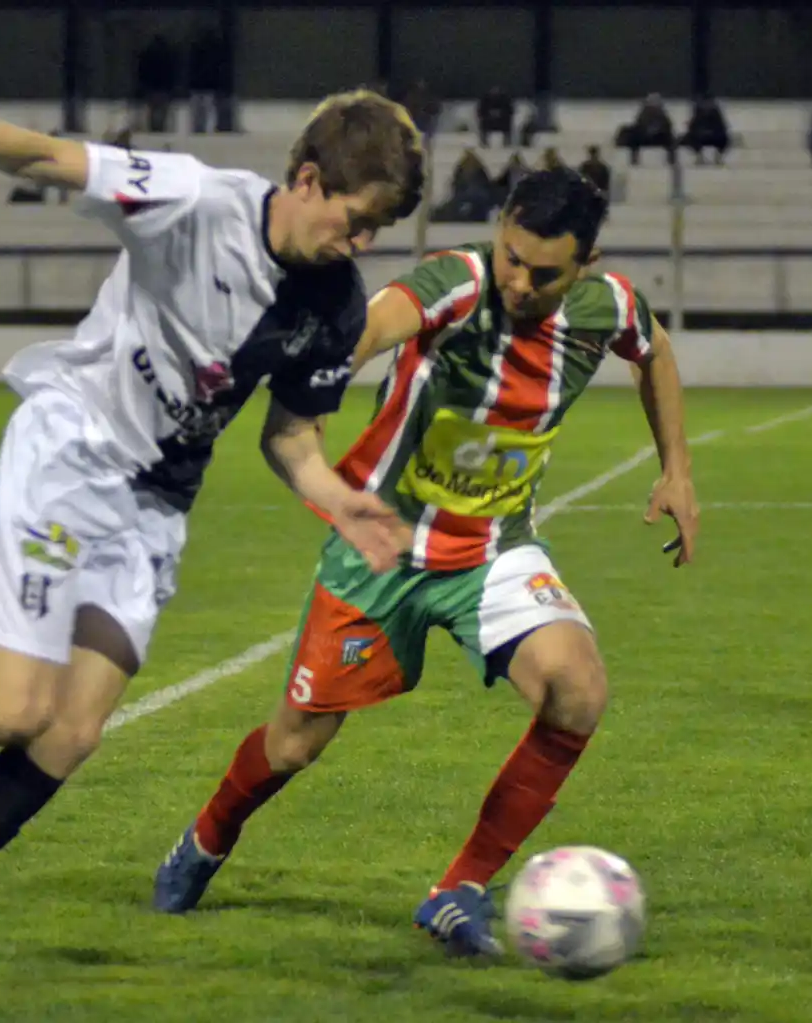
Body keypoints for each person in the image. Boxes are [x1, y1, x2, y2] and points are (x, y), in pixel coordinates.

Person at [0, 84, 424, 1004]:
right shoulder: (193, 201)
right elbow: (43, 155)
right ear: (308, 179)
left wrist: (339, 498)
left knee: (69, 734)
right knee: (10, 712)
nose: (363, 243)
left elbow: (291, 436)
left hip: (155, 505)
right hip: (71, 453)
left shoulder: (335, 305)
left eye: (377, 228)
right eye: (357, 220)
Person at [153, 167, 700, 958]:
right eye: (512, 256)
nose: (519, 282)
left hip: (492, 549)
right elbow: (373, 325)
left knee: (578, 689)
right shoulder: (459, 284)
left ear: (587, 263)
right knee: (294, 745)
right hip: (380, 549)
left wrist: (676, 467)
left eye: (544, 273)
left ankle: (457, 888)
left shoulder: (605, 305)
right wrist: (308, 375)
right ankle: (206, 838)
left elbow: (655, 350)